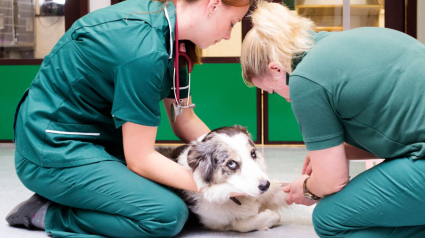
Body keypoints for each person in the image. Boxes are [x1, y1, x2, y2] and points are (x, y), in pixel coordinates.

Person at [6, 0, 251, 237]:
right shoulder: (143, 48)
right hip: (52, 149)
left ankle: (77, 193)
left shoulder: (175, 41)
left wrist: (234, 165)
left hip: (98, 142)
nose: (229, 35)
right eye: (232, 23)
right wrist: (216, 185)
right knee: (166, 214)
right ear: (213, 5)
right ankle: (47, 213)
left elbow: (184, 120)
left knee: (176, 188)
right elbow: (141, 159)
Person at [241, 1, 425, 237]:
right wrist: (340, 151)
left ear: (276, 69)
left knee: (329, 219)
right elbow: (400, 133)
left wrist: (307, 189)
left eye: (273, 90)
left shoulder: (305, 79)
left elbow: (332, 182)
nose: (281, 97)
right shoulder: (354, 41)